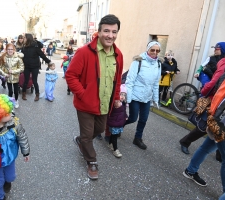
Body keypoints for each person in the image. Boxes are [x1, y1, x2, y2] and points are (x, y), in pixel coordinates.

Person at [66, 14, 123, 180]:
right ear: (99, 32)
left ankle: (82, 141)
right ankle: (91, 161)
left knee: (98, 130)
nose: (110, 35)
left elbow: (117, 80)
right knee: (88, 134)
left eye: (114, 31)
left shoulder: (118, 55)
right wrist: (83, 94)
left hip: (105, 103)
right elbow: (70, 75)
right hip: (85, 104)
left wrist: (117, 97)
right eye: (106, 31)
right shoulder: (84, 52)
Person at [179, 43, 225, 155]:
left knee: (221, 130)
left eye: (217, 49)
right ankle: (185, 142)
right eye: (215, 49)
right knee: (204, 127)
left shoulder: (224, 61)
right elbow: (211, 78)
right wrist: (204, 88)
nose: (215, 50)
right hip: (216, 99)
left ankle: (221, 155)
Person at [124, 41, 162, 150]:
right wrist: (129, 97)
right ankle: (118, 127)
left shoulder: (158, 63)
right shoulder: (138, 61)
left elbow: (155, 83)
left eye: (157, 50)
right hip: (135, 95)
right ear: (148, 50)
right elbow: (130, 80)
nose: (155, 52)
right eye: (152, 50)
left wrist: (155, 99)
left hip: (147, 97)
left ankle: (138, 138)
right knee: (132, 118)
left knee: (143, 119)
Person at [21, 33, 51, 101]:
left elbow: (42, 55)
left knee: (34, 81)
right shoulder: (24, 47)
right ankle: (23, 93)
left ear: (28, 38)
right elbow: (21, 57)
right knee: (26, 80)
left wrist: (49, 61)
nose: (23, 39)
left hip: (35, 67)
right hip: (27, 67)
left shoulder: (35, 47)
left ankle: (37, 94)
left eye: (24, 38)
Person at [0, 43, 24, 108]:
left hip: (15, 77)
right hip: (8, 78)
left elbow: (21, 68)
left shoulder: (18, 58)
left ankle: (16, 100)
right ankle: (10, 103)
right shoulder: (3, 57)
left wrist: (13, 71)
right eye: (8, 49)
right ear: (6, 50)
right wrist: (5, 74)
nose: (10, 51)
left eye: (11, 49)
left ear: (14, 50)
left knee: (15, 91)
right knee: (10, 91)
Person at [107, 84, 128, 158]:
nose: (122, 96)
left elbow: (124, 112)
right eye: (120, 94)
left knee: (113, 135)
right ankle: (115, 149)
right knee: (114, 136)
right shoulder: (114, 104)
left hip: (119, 123)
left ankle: (110, 144)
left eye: (124, 95)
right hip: (114, 123)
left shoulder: (124, 103)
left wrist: (126, 116)